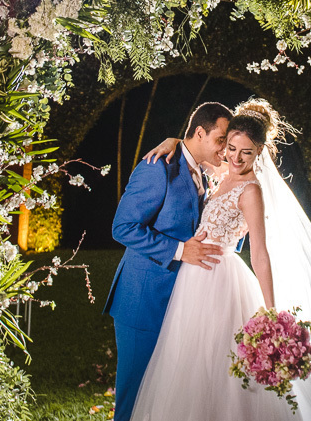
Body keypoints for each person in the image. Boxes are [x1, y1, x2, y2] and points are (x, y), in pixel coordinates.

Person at [130, 99, 311, 421]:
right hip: (193, 278)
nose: (235, 157)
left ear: (259, 153)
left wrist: (271, 312)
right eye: (231, 148)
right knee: (190, 364)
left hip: (220, 280)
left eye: (246, 152)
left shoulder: (250, 190)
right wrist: (173, 140)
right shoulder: (223, 172)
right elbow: (194, 146)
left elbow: (259, 251)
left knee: (222, 368)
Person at [103, 101, 233, 421]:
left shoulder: (206, 174)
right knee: (134, 398)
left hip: (182, 306)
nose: (225, 149)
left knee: (163, 398)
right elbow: (123, 227)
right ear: (199, 133)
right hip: (143, 302)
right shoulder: (157, 167)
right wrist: (178, 250)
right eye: (221, 140)